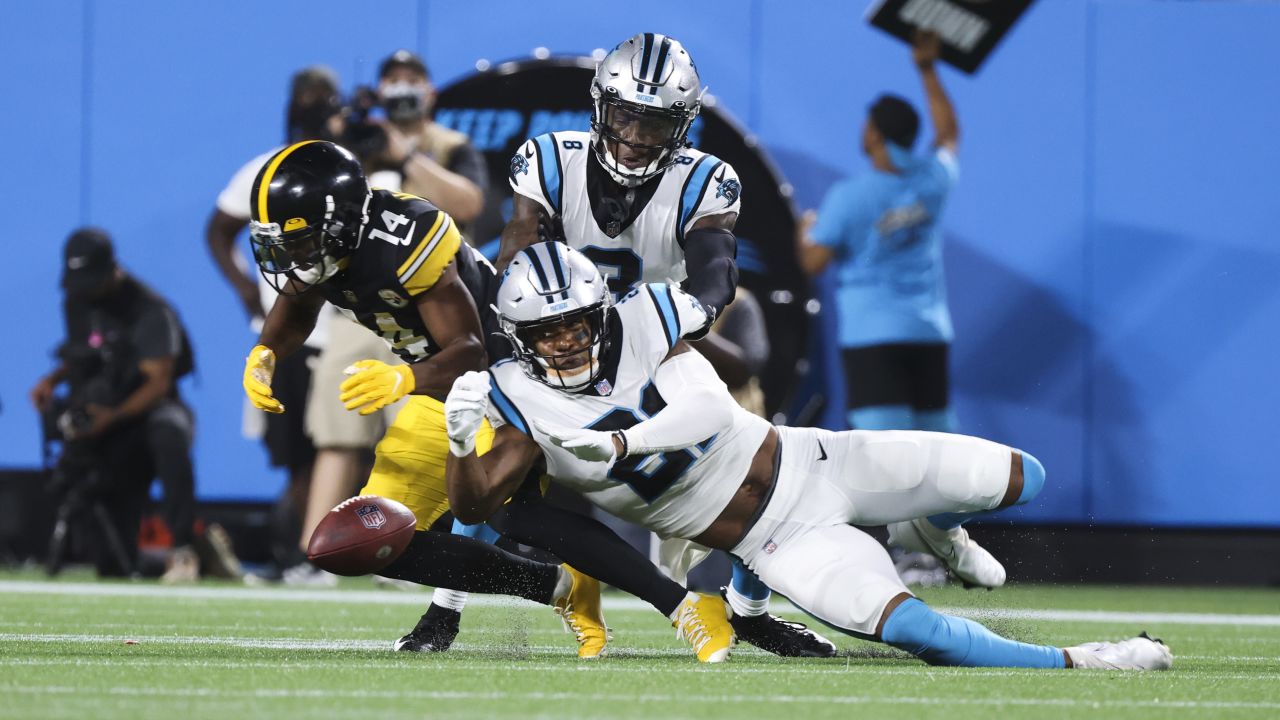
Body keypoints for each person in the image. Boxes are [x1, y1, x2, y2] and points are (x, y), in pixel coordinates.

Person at [442, 242, 1174, 671]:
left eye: (574, 323)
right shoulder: (517, 400)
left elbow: (709, 410)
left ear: (601, 310)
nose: (565, 341)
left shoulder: (646, 318)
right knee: (915, 632)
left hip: (819, 459)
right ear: (518, 337)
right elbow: (477, 505)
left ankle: (935, 531)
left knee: (1024, 476)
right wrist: (455, 443)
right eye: (545, 332)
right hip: (777, 539)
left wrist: (620, 442)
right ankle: (1087, 660)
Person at [240, 139, 735, 662]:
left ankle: (685, 606)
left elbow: (470, 348)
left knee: (513, 515)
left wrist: (404, 379)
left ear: (339, 225)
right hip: (440, 387)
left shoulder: (406, 237)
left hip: (508, 377)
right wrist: (266, 352)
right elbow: (298, 303)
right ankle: (557, 587)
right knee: (372, 539)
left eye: (299, 243)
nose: (290, 259)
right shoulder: (324, 245)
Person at [430, 32, 832, 659]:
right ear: (600, 106)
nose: (639, 136)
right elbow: (520, 249)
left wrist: (662, 323)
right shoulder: (549, 160)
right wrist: (523, 331)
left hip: (649, 353)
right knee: (499, 467)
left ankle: (751, 612)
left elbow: (713, 278)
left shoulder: (704, 180)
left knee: (747, 478)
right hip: (557, 345)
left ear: (683, 125)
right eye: (626, 115)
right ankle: (444, 610)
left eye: (656, 123)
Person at [207, 66, 343, 579]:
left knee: (328, 452)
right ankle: (294, 553)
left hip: (342, 332)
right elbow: (218, 230)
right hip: (290, 335)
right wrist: (246, 289)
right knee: (298, 458)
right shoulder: (266, 169)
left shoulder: (343, 169)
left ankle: (302, 553)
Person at [30, 228, 200, 581]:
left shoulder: (151, 310)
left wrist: (114, 415)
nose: (86, 289)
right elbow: (88, 353)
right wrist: (54, 380)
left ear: (112, 269)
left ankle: (184, 547)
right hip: (105, 415)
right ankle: (143, 552)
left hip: (147, 411)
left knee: (169, 430)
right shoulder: (77, 300)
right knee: (112, 564)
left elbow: (158, 381)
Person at [375, 50, 488, 231]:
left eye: (412, 81)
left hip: (439, 255)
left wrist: (407, 158)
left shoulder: (454, 144)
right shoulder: (362, 140)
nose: (402, 88)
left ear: (431, 94)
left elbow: (469, 206)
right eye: (393, 80)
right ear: (378, 92)